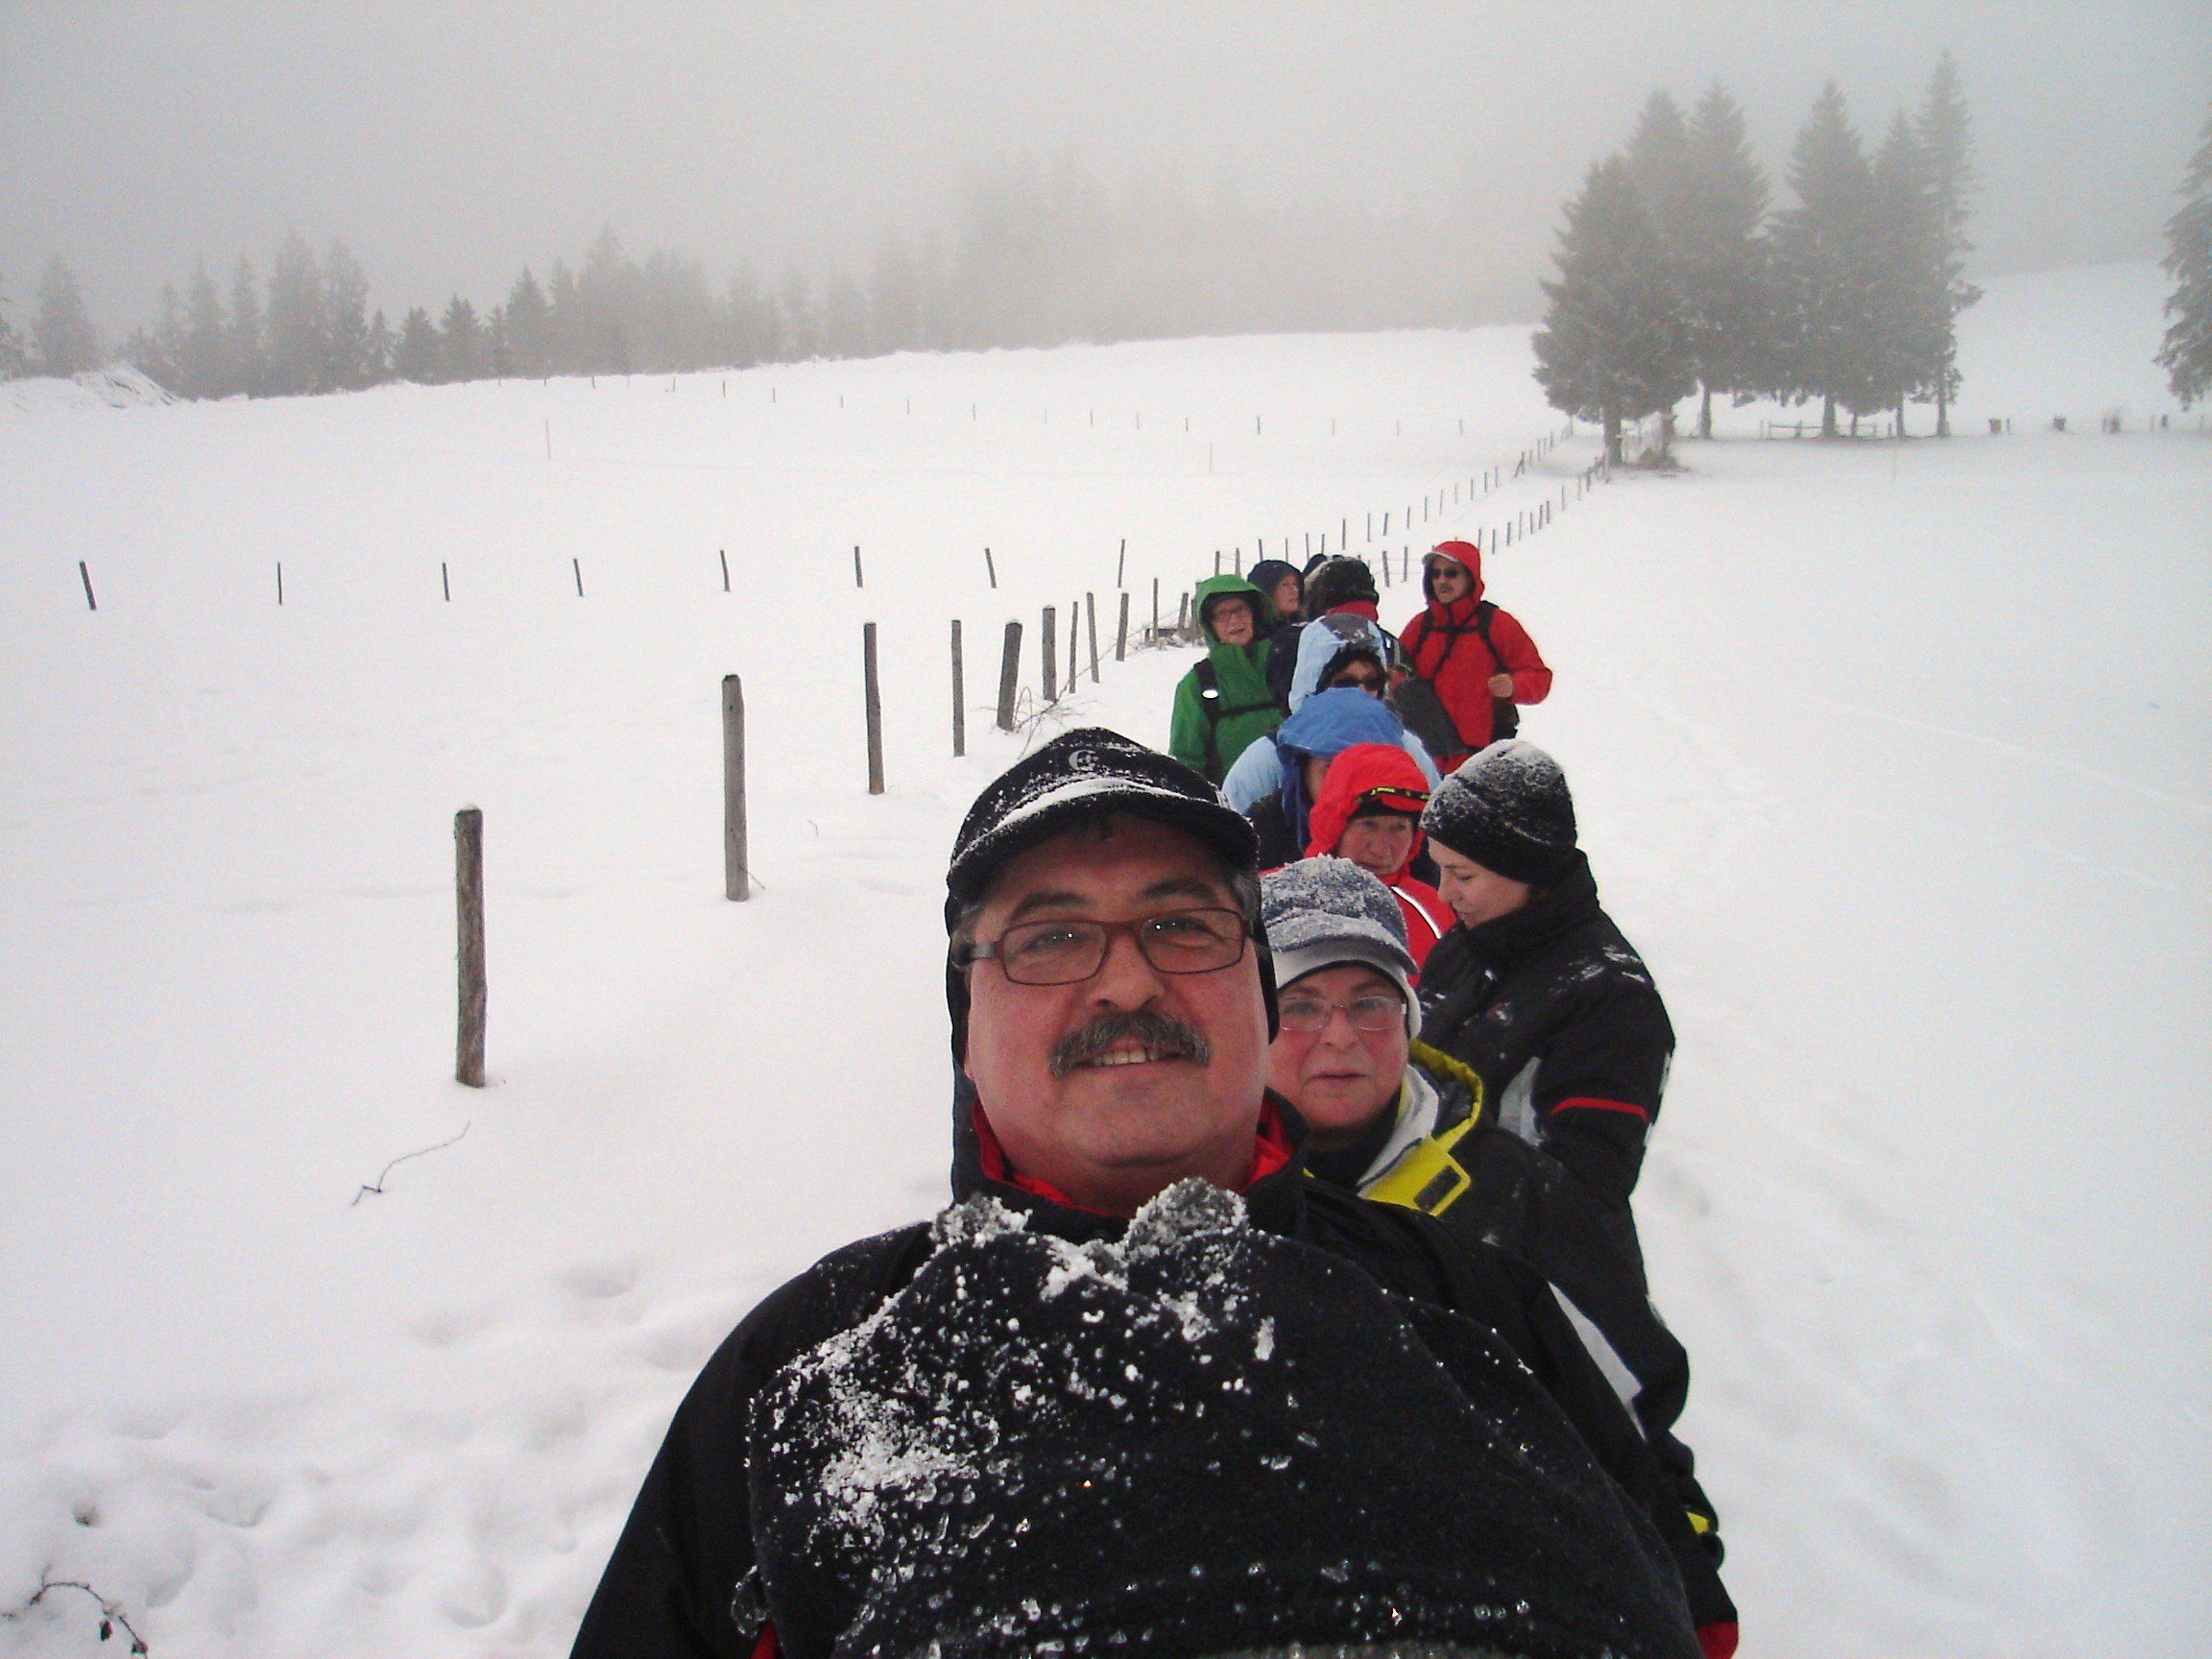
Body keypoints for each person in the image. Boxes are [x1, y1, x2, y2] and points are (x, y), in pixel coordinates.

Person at [570, 730, 1733, 1659]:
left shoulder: (1480, 1307)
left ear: (1256, 997)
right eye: (1050, 937)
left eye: (1182, 926)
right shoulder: (805, 1363)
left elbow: (1688, 1605)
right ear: (965, 1028)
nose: (1126, 981)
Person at [1258, 854, 1729, 1634]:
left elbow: (1630, 1418)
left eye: (1371, 1003)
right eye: (1299, 1005)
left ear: (1408, 1020)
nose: (1339, 1036)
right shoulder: (1200, 1188)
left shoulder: (1519, 1196)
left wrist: (1683, 1589)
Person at [1416, 740, 1671, 1267]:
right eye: (1438, 869)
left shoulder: (1612, 1000)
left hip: (1516, 1279)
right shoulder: (1466, 947)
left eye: (1463, 875)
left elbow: (1581, 1197)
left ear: (1527, 869)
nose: (1442, 893)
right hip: (1423, 1240)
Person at [1235, 687, 1436, 868]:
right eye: (1331, 768)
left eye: (1364, 770)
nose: (1346, 780)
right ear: (1302, 769)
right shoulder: (1261, 834)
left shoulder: (1420, 844)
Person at [1397, 540, 1551, 771]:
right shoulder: (1420, 628)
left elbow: (1539, 678)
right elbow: (1392, 673)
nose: (1442, 581)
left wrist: (1514, 686)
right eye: (1436, 574)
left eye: (1451, 573)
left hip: (1486, 763)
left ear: (1471, 577)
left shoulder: (1497, 625)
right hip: (1427, 764)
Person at [1298, 741, 1452, 967]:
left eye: (1399, 828)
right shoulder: (1279, 903)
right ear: (1334, 826)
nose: (1381, 849)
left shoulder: (1436, 913)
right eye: (1368, 825)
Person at [1166, 573, 1281, 784]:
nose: (1234, 620)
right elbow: (1186, 763)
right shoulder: (1196, 685)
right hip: (1230, 801)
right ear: (1210, 625)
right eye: (1222, 614)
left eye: (1240, 609)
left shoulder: (1284, 666)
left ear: (1254, 614)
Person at [1266, 554, 1390, 708]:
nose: (1361, 693)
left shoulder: (1298, 642)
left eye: (1373, 682)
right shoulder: (1384, 641)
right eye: (1345, 684)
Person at [1245, 555, 1306, 701]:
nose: (1294, 590)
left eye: (1295, 584)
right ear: (1266, 590)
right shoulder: (1251, 638)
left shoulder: (1306, 631)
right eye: (1285, 585)